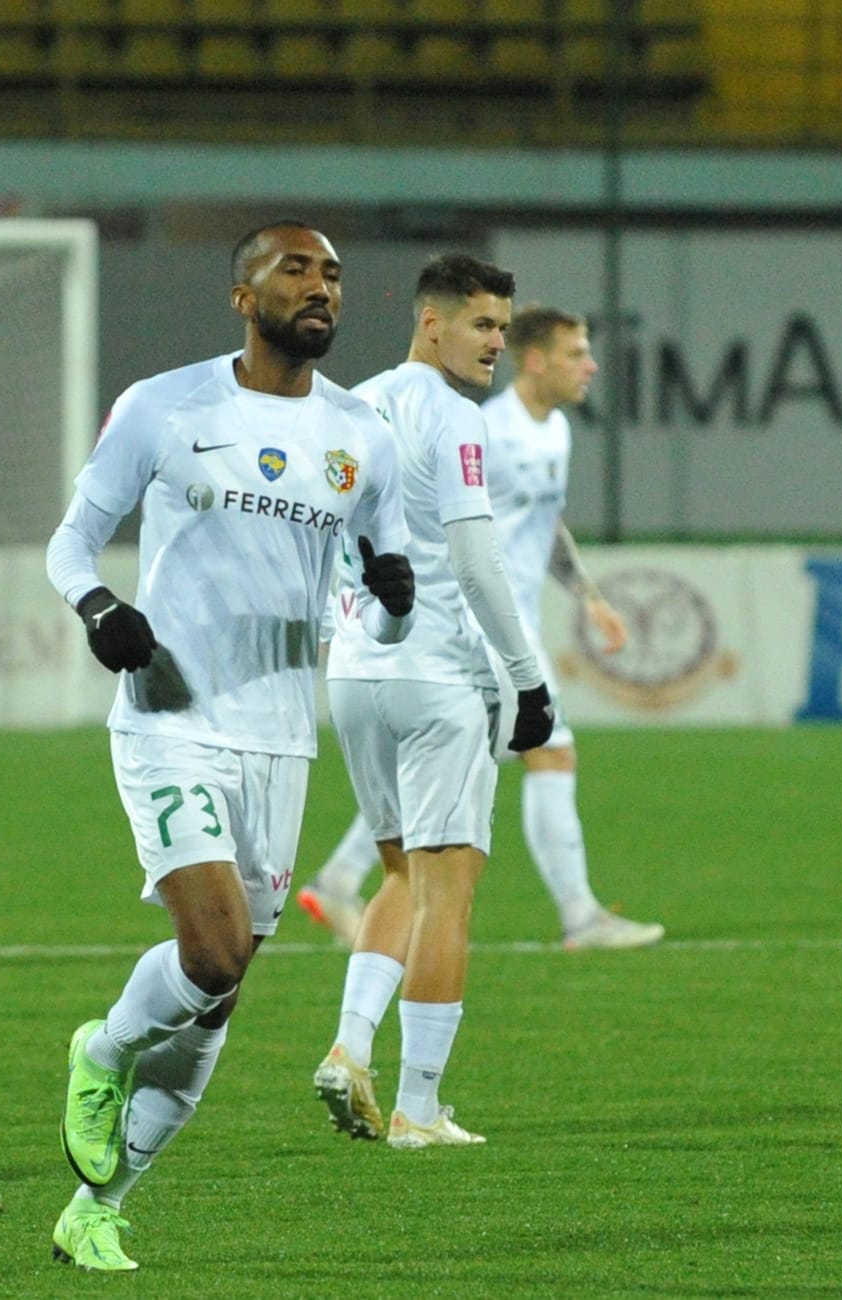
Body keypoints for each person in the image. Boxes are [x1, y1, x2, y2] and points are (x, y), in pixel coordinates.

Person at [43, 220, 417, 1272]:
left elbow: (377, 609)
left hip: (280, 741)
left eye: (333, 274)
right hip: (170, 715)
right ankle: (104, 1046)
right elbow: (72, 539)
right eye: (295, 269)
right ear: (240, 294)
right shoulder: (164, 404)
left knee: (219, 990)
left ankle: (99, 1204)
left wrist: (393, 605)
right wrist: (97, 606)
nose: (321, 288)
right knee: (205, 949)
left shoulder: (363, 439)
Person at [299, 305, 664, 952]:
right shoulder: (485, 430)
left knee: (461, 762)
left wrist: (587, 594)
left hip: (504, 623)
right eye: (577, 353)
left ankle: (339, 876)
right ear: (537, 359)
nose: (591, 365)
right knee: (547, 751)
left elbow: (543, 523)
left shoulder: (554, 434)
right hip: (475, 627)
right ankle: (580, 916)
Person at [313, 253, 555, 1152]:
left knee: (402, 874)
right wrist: (529, 679)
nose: (497, 341)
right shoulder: (454, 416)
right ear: (432, 323)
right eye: (483, 324)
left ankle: (349, 1047)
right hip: (436, 675)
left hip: (355, 670)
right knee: (449, 892)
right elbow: (476, 560)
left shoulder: (350, 404)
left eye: (502, 325)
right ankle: (419, 1105)